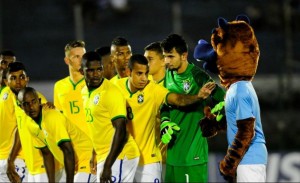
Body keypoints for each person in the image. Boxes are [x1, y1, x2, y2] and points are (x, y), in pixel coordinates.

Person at [115, 54, 217, 182]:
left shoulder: (153, 89)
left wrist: (198, 97)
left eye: (146, 74)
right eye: (139, 74)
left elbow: (177, 99)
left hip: (149, 160)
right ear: (129, 72)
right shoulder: (115, 87)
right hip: (123, 157)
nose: (144, 78)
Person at [159, 34, 225, 182]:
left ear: (184, 56)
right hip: (172, 155)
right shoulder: (167, 76)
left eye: (170, 56)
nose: (166, 61)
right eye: (164, 56)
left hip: (192, 156)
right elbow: (164, 105)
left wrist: (218, 112)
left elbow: (222, 97)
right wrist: (164, 121)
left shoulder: (198, 76)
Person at [80, 51, 140, 182]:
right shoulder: (84, 92)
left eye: (99, 69)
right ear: (81, 71)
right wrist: (94, 153)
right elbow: (97, 126)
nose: (96, 74)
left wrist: (108, 165)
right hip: (104, 155)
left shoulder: (111, 92)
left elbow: (121, 131)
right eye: (91, 70)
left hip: (120, 154)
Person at [18, 86, 95, 182]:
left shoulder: (52, 117)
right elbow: (46, 153)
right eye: (26, 104)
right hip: (75, 165)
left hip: (87, 159)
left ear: (39, 101)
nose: (31, 107)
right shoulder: (30, 124)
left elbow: (68, 150)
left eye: (34, 102)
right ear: (21, 106)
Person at [0, 62, 53, 182]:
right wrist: (10, 159)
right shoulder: (15, 99)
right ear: (6, 82)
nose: (18, 81)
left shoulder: (36, 101)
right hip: (27, 165)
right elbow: (20, 129)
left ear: (27, 79)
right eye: (13, 78)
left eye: (22, 77)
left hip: (39, 167)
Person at [53, 40, 90, 135]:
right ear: (67, 60)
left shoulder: (93, 83)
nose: (81, 60)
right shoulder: (59, 86)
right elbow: (59, 118)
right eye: (77, 57)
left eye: (83, 56)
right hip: (73, 145)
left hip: (93, 145)